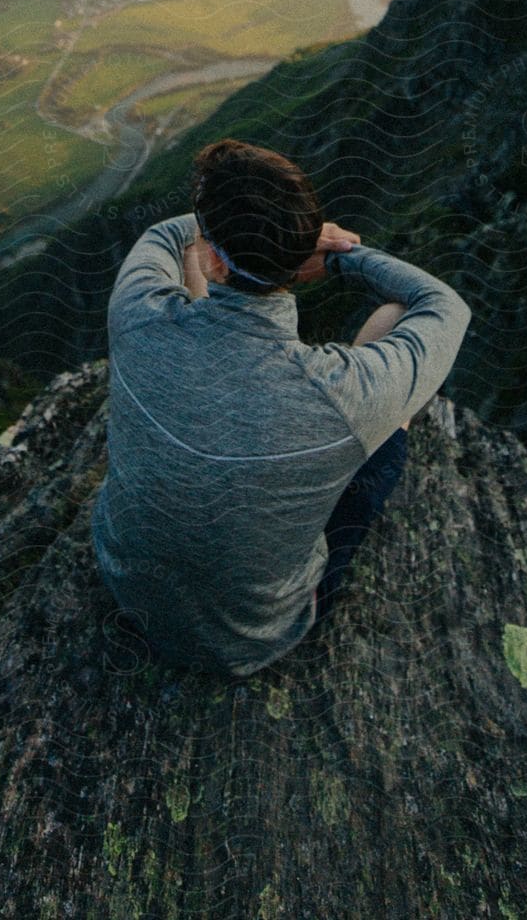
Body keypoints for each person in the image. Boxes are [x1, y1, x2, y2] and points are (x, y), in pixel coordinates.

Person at [90, 136, 473, 678]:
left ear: (217, 260)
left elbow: (167, 235)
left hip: (124, 583)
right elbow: (444, 306)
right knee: (392, 331)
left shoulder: (135, 309)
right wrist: (336, 256)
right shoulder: (340, 393)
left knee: (184, 261)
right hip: (251, 638)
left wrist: (227, 229)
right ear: (297, 260)